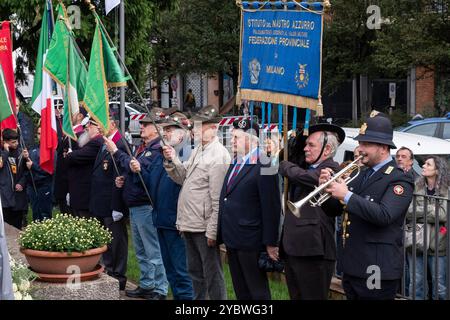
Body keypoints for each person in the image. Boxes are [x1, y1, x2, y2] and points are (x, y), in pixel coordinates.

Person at [319, 111, 414, 300]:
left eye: (366, 144)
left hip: (376, 268)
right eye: (360, 143)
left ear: (383, 148)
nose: (360, 148)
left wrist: (346, 195)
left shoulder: (399, 178)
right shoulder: (361, 173)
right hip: (353, 266)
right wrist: (326, 189)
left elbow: (384, 215)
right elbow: (333, 210)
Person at [162, 105, 230, 300]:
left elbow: (217, 198)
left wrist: (212, 231)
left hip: (203, 226)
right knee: (195, 273)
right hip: (190, 222)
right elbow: (183, 177)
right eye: (196, 127)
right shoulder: (199, 149)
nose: (195, 131)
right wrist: (172, 159)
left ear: (214, 128)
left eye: (200, 127)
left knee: (212, 275)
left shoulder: (218, 155)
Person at [129, 113, 194, 300]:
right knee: (171, 271)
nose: (165, 133)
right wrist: (139, 171)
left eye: (169, 130)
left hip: (176, 221)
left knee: (182, 273)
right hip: (161, 218)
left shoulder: (185, 154)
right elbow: (152, 184)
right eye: (164, 130)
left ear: (181, 135)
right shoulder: (162, 155)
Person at [105, 112, 168, 300]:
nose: (141, 127)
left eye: (146, 124)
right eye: (142, 124)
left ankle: (160, 288)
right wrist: (124, 178)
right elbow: (134, 170)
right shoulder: (144, 147)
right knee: (140, 249)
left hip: (145, 205)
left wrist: (116, 152)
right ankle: (147, 284)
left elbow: (139, 168)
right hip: (135, 204)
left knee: (152, 250)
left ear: (157, 128)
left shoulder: (157, 150)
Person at [278, 123, 345, 300]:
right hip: (295, 248)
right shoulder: (307, 166)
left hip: (314, 251)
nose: (306, 149)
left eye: (311, 145)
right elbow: (288, 160)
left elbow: (304, 177)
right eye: (306, 145)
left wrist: (286, 167)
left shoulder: (333, 169)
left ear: (327, 149)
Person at [218, 119, 281, 300]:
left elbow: (272, 206)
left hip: (251, 239)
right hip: (233, 236)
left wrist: (270, 242)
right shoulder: (236, 162)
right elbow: (227, 196)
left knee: (257, 291)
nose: (232, 141)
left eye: (236, 137)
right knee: (241, 290)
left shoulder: (265, 163)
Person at [90, 117, 129, 291]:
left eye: (101, 123)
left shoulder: (120, 144)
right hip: (101, 202)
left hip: (112, 203)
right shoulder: (105, 143)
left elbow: (121, 175)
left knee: (117, 242)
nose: (98, 127)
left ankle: (118, 276)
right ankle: (109, 271)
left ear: (112, 124)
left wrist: (118, 206)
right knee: (107, 241)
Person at [405, 156, 448, 300]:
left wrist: (420, 210)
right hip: (416, 241)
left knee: (439, 286)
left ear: (437, 170)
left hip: (438, 243)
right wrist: (430, 209)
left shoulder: (446, 190)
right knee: (416, 284)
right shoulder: (416, 187)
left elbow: (442, 215)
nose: (423, 166)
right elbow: (408, 211)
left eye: (428, 164)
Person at [66, 118, 103, 218]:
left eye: (90, 125)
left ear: (98, 127)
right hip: (80, 192)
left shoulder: (97, 142)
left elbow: (76, 156)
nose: (87, 127)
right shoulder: (91, 142)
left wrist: (70, 154)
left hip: (85, 193)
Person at [23, 127, 53, 222]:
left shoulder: (51, 150)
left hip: (44, 185)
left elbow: (50, 170)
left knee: (45, 213)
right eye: (39, 134)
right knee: (35, 212)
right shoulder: (33, 149)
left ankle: (46, 233)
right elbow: (27, 166)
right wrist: (26, 158)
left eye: (42, 133)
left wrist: (33, 166)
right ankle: (36, 234)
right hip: (32, 185)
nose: (40, 136)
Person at [0, 129, 28, 229]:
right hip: (5, 198)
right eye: (13, 142)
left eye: (17, 141)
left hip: (18, 197)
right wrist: (6, 152)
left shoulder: (21, 153)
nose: (16, 144)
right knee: (5, 228)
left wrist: (21, 183)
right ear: (5, 142)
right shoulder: (2, 153)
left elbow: (26, 171)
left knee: (17, 227)